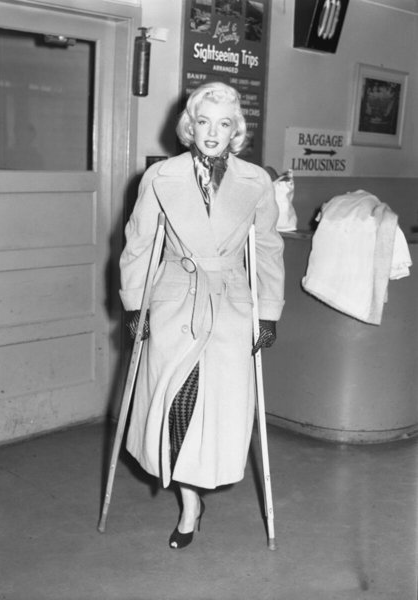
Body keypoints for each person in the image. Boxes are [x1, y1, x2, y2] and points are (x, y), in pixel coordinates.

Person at [119, 81, 285, 549]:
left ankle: (197, 493)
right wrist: (136, 305)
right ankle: (190, 504)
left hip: (230, 305)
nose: (212, 132)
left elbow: (269, 252)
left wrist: (267, 312)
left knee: (220, 413)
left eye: (224, 123)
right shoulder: (159, 178)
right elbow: (139, 247)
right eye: (204, 121)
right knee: (176, 408)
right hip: (174, 302)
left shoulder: (256, 182)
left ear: (236, 131)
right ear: (189, 125)